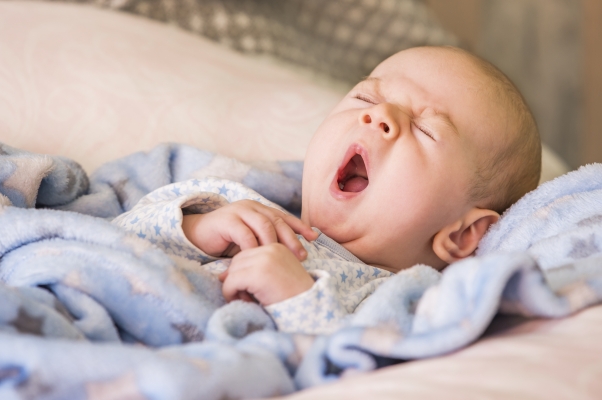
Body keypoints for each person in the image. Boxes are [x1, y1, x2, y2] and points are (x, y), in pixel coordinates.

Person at [113, 46, 541, 334]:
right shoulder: (240, 203)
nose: (380, 116)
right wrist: (195, 229)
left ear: (463, 235)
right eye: (365, 98)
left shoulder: (401, 298)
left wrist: (296, 298)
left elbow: (363, 370)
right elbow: (114, 237)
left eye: (427, 129)